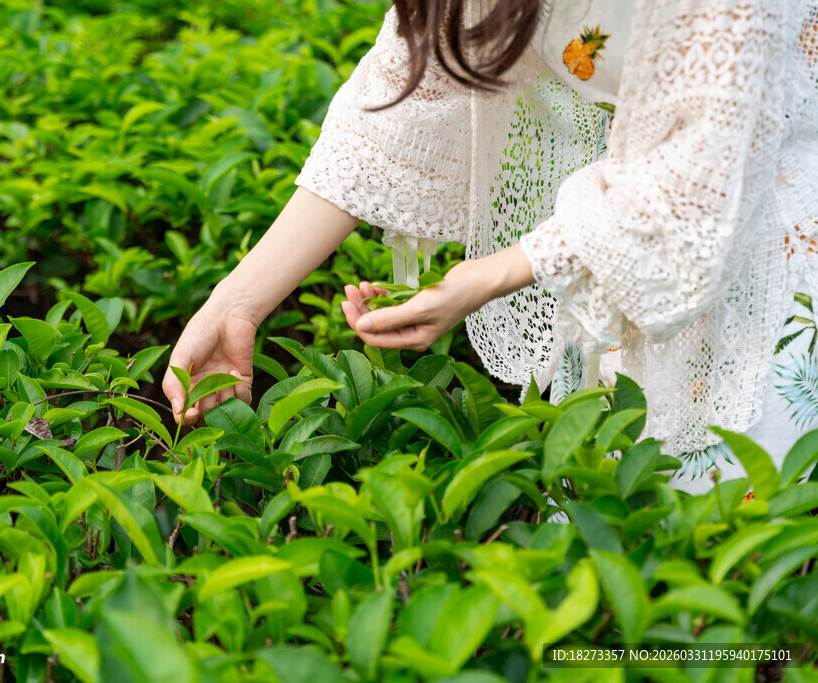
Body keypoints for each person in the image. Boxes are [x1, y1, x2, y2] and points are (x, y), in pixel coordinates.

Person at [163, 0, 818, 494]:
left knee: (746, 576)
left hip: (771, 251)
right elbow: (409, 95)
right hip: (619, 250)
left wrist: (493, 274)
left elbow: (703, 164)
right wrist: (237, 303)